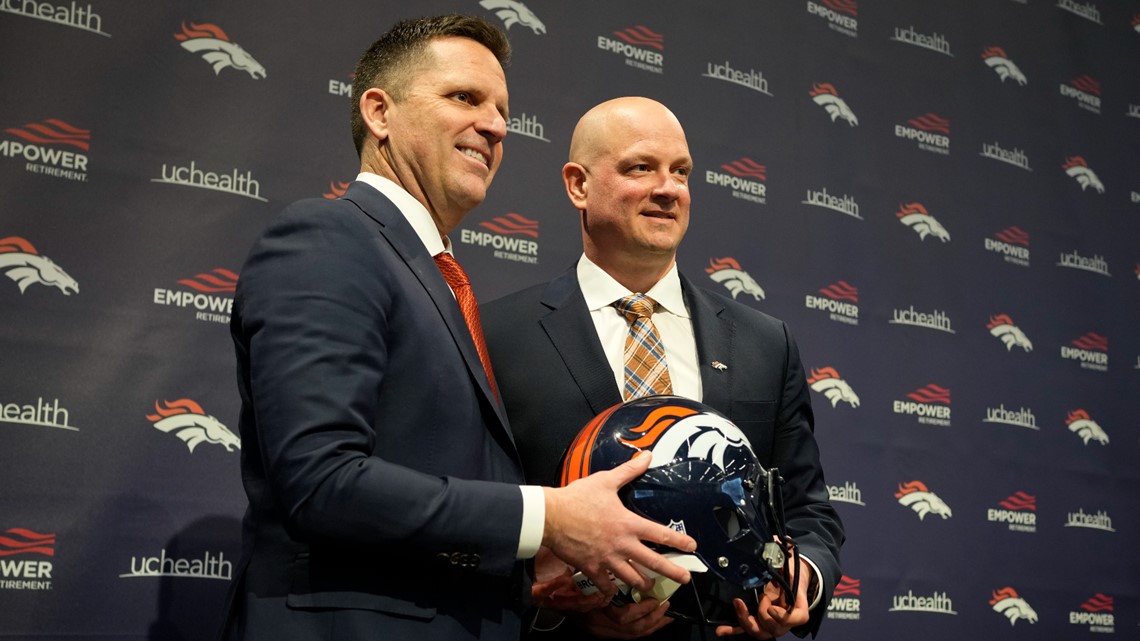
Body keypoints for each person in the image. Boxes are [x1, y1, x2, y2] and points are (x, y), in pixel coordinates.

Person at [219, 20, 696, 641]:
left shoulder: (438, 278)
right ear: (379, 113)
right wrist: (548, 515)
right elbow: (321, 480)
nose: (496, 125)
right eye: (464, 98)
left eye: (501, 109)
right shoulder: (328, 238)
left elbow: (439, 503)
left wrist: (544, 582)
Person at [482, 97, 844, 640]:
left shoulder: (766, 343)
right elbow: (472, 515)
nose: (668, 188)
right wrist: (548, 599)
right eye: (640, 168)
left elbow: (807, 512)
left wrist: (800, 579)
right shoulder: (495, 336)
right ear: (578, 185)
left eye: (681, 172)